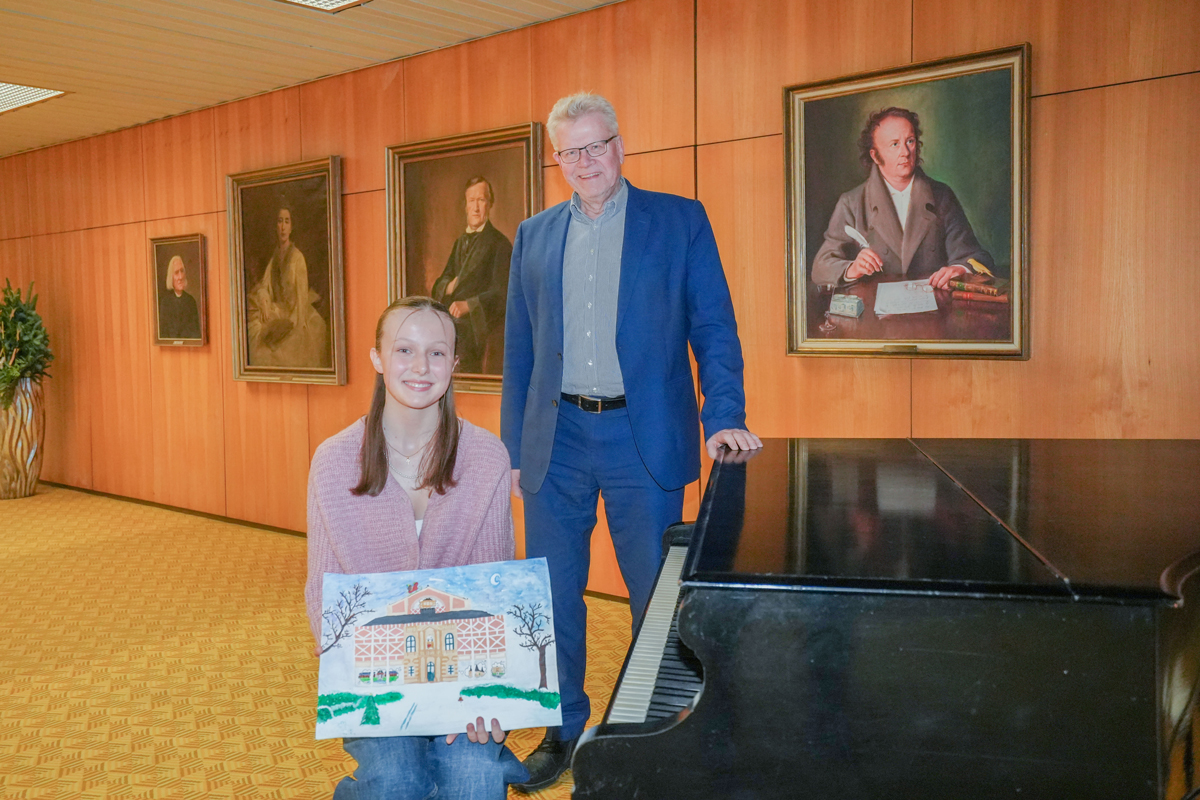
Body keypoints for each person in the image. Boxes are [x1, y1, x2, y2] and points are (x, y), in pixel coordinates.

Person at [500, 93, 761, 791]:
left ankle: (657, 730)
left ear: (620, 145)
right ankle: (561, 731)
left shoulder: (679, 221)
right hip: (554, 440)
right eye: (569, 152)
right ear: (557, 160)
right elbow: (519, 352)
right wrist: (509, 450)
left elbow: (714, 328)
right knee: (550, 598)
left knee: (658, 598)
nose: (584, 162)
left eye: (595, 146)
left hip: (640, 438)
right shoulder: (533, 234)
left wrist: (723, 416)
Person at [306, 296, 529, 799]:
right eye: (404, 350)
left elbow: (495, 596)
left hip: (465, 674)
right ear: (377, 359)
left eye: (436, 353)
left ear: (455, 364)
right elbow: (323, 598)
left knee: (473, 777)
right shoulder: (335, 461)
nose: (420, 367)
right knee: (397, 782)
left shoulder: (487, 457)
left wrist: (484, 697)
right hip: (371, 676)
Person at [811, 106, 995, 290]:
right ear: (875, 155)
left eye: (910, 141)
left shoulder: (942, 196)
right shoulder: (851, 202)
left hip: (934, 309)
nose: (905, 152)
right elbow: (821, 266)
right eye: (894, 144)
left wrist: (959, 268)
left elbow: (975, 256)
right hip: (873, 313)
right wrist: (853, 268)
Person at [432, 176, 513, 374]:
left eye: (481, 200)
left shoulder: (499, 243)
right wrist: (449, 287)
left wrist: (469, 305)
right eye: (472, 201)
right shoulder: (460, 243)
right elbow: (439, 285)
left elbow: (502, 292)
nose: (476, 207)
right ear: (466, 206)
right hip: (453, 321)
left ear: (490, 204)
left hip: (479, 324)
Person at [247, 205, 330, 368]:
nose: (283, 226)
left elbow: (301, 300)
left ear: (291, 227)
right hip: (277, 311)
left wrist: (290, 324)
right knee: (253, 332)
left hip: (296, 314)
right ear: (276, 226)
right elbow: (265, 285)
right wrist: (264, 300)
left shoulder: (297, 258)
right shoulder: (275, 257)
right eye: (280, 221)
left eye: (287, 221)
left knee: (288, 345)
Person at [158, 255, 201, 339]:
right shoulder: (165, 303)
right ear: (171, 276)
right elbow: (163, 335)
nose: (180, 277)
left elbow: (196, 334)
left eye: (182, 271)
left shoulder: (191, 301)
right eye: (176, 273)